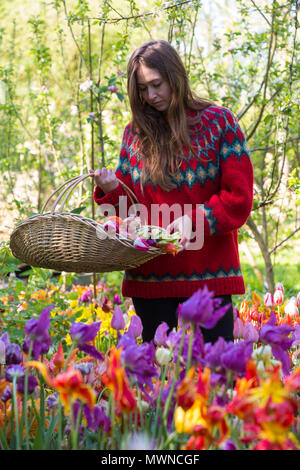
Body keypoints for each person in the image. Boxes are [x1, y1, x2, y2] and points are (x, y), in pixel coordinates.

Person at [90, 40, 253, 344]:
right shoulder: (135, 134)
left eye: (157, 84)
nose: (150, 96)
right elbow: (129, 215)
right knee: (157, 382)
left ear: (175, 77)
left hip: (210, 281)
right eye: (141, 89)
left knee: (215, 380)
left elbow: (239, 199)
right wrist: (111, 190)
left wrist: (196, 220)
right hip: (150, 281)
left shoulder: (220, 123)